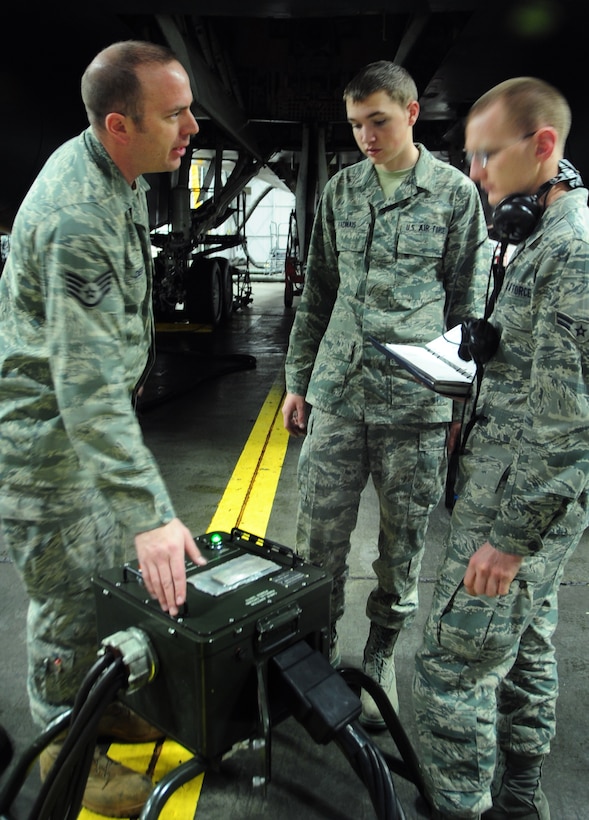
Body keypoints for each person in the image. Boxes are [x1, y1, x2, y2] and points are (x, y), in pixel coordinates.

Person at [0, 40, 207, 817]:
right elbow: (83, 391)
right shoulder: (77, 215)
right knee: (63, 607)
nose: (191, 125)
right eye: (174, 114)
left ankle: (94, 707)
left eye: (188, 105)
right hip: (46, 448)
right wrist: (150, 514)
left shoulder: (119, 171)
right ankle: (67, 753)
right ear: (119, 124)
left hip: (81, 440)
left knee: (96, 597)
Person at [281, 60, 490, 729]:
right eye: (354, 124)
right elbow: (316, 291)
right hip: (338, 394)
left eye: (376, 121)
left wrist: (457, 403)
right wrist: (296, 381)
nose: (365, 135)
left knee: (401, 550)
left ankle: (378, 662)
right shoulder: (341, 192)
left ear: (408, 112)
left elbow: (467, 307)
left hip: (415, 407)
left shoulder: (454, 196)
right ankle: (314, 661)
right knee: (317, 543)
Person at [412, 77, 589, 820]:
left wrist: (507, 543)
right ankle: (518, 801)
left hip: (515, 505)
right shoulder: (533, 229)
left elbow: (569, 426)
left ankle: (461, 808)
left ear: (541, 146)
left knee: (452, 665)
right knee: (524, 652)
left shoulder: (571, 251)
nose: (475, 173)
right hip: (505, 483)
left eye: (486, 156)